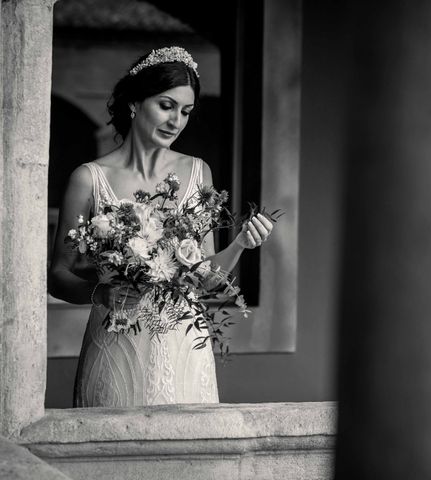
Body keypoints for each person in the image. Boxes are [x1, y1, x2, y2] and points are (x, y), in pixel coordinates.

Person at [48, 46, 273, 407]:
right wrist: (99, 293)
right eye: (166, 106)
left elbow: (206, 278)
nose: (177, 121)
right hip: (117, 337)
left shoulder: (199, 173)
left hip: (184, 339)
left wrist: (241, 244)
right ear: (135, 103)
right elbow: (59, 273)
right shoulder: (89, 179)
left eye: (185, 111)